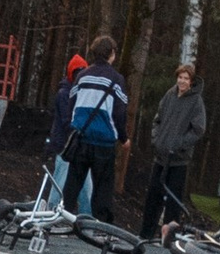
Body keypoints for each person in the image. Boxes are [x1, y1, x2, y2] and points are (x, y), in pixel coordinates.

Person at [54, 34, 129, 220]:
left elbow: (71, 106)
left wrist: (73, 128)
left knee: (73, 183)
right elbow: (119, 113)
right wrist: (123, 137)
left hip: (81, 138)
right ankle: (100, 225)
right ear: (111, 54)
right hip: (104, 142)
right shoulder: (116, 79)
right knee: (103, 187)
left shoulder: (82, 76)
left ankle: (61, 218)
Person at [138, 63, 206, 241]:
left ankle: (168, 238)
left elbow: (198, 129)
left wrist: (180, 144)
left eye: (186, 79)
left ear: (191, 81)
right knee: (153, 196)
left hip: (178, 160)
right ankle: (145, 234)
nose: (182, 81)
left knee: (174, 201)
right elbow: (157, 119)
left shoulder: (196, 101)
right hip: (160, 157)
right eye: (180, 77)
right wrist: (156, 139)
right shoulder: (169, 94)